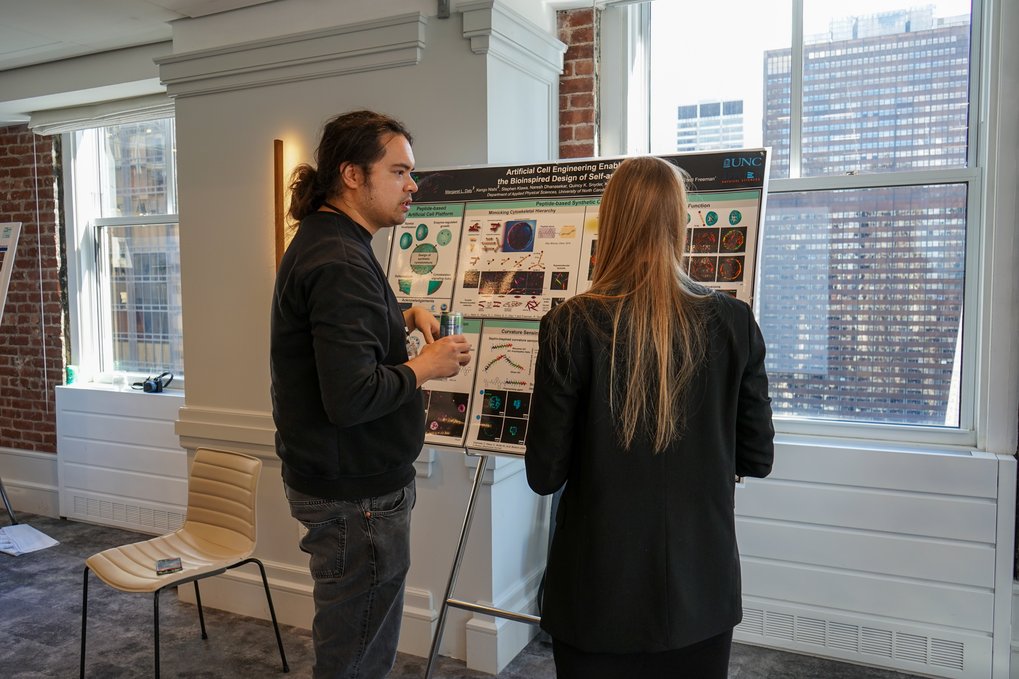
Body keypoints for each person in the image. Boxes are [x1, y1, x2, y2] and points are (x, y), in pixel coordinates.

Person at [524, 156, 775, 679]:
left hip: (597, 590)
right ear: (678, 222)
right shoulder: (734, 322)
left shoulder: (570, 324)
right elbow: (758, 455)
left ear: (609, 223)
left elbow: (544, 473)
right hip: (700, 587)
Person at [270, 110, 471, 679]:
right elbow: (352, 395)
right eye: (401, 171)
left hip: (342, 486)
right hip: (356, 497)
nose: (414, 185)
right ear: (352, 174)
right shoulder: (341, 261)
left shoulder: (327, 241)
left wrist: (399, 314)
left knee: (352, 638)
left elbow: (333, 346)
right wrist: (425, 366)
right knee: (357, 655)